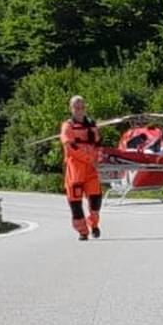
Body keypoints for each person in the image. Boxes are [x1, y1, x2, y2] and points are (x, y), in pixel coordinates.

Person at [60, 95, 103, 240]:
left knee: (96, 199)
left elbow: (98, 144)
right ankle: (83, 231)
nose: (79, 110)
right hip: (75, 171)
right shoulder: (67, 126)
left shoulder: (91, 124)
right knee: (75, 203)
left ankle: (94, 224)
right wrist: (88, 158)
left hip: (91, 169)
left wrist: (98, 158)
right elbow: (69, 147)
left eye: (82, 107)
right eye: (76, 108)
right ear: (71, 109)